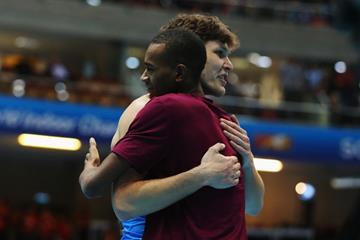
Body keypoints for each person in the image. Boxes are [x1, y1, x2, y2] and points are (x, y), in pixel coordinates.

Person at [82, 14, 264, 239]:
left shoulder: (217, 116)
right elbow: (124, 205)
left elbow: (253, 207)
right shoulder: (146, 108)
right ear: (191, 51)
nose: (229, 64)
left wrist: (248, 162)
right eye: (220, 53)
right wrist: (202, 175)